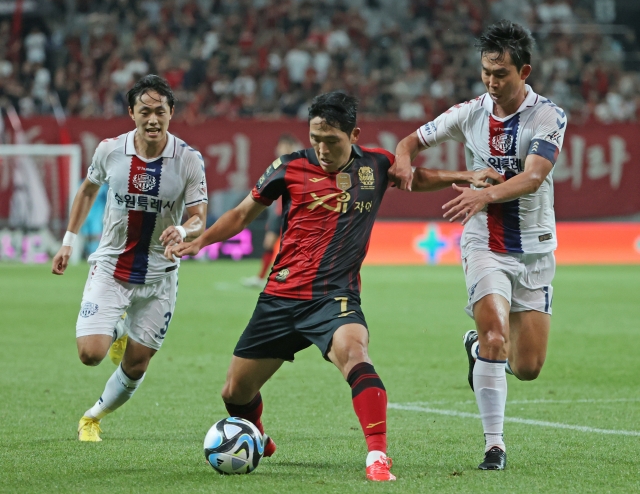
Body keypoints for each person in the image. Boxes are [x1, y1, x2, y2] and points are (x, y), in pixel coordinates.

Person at [169, 91, 496, 481]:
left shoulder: (375, 165)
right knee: (234, 393)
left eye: (332, 140)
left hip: (333, 297)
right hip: (280, 297)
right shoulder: (287, 168)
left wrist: (465, 176)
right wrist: (199, 241)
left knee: (355, 355)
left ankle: (377, 457)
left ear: (354, 134)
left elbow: (415, 177)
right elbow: (241, 214)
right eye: (316, 139)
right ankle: (256, 434)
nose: (322, 148)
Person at [395, 20, 567, 470]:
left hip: (534, 249)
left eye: (501, 73)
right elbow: (409, 142)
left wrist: (482, 192)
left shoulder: (548, 116)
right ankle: (495, 445)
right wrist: (403, 163)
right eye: (486, 72)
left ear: (524, 71)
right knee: (496, 335)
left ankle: (477, 350)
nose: (492, 82)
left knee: (528, 367)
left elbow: (533, 178)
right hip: (484, 241)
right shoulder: (471, 111)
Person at [51, 74, 208, 442]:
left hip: (160, 276)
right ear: (131, 113)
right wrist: (68, 241)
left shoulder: (188, 159)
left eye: (160, 111)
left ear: (172, 112)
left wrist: (183, 231)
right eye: (144, 111)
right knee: (90, 354)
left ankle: (92, 417)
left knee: (136, 364)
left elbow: (201, 217)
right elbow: (88, 191)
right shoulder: (110, 150)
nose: (152, 119)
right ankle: (116, 330)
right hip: (111, 268)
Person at [241, 133, 302, 288]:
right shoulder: (279, 165)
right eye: (279, 146)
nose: (279, 149)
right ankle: (261, 278)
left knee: (293, 248)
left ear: (290, 146)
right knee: (268, 244)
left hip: (294, 214)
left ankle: (295, 278)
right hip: (279, 213)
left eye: (283, 145)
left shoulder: (300, 165)